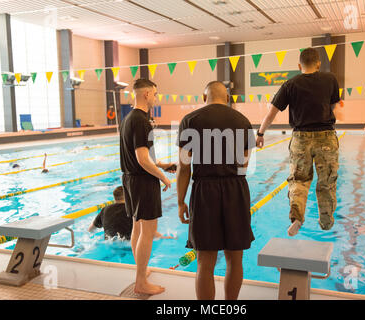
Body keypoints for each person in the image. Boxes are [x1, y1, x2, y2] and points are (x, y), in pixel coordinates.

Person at [176, 81, 255, 300]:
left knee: (205, 261)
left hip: (204, 191)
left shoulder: (190, 121)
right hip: (236, 189)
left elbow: (183, 166)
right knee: (234, 259)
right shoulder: (243, 121)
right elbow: (244, 164)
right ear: (228, 98)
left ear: (204, 98)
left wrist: (181, 201)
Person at [256, 47, 340, 237]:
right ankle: (326, 220)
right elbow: (333, 105)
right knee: (327, 180)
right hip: (326, 135)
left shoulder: (290, 84)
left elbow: (272, 112)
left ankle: (297, 218)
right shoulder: (330, 80)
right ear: (318, 64)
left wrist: (260, 133)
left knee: (299, 181)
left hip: (301, 138)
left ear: (299, 65)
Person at [119, 78, 176, 296]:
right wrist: (164, 177)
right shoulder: (142, 120)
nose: (156, 97)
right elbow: (142, 160)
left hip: (130, 180)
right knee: (148, 231)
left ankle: (140, 271)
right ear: (146, 94)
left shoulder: (128, 119)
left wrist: (162, 164)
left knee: (137, 227)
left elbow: (139, 159)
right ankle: (141, 281)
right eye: (155, 93)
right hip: (143, 182)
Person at [88, 187, 177, 240]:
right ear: (128, 197)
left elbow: (91, 230)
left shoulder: (105, 210)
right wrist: (165, 237)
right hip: (129, 245)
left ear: (115, 198)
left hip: (110, 242)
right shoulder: (134, 210)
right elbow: (150, 232)